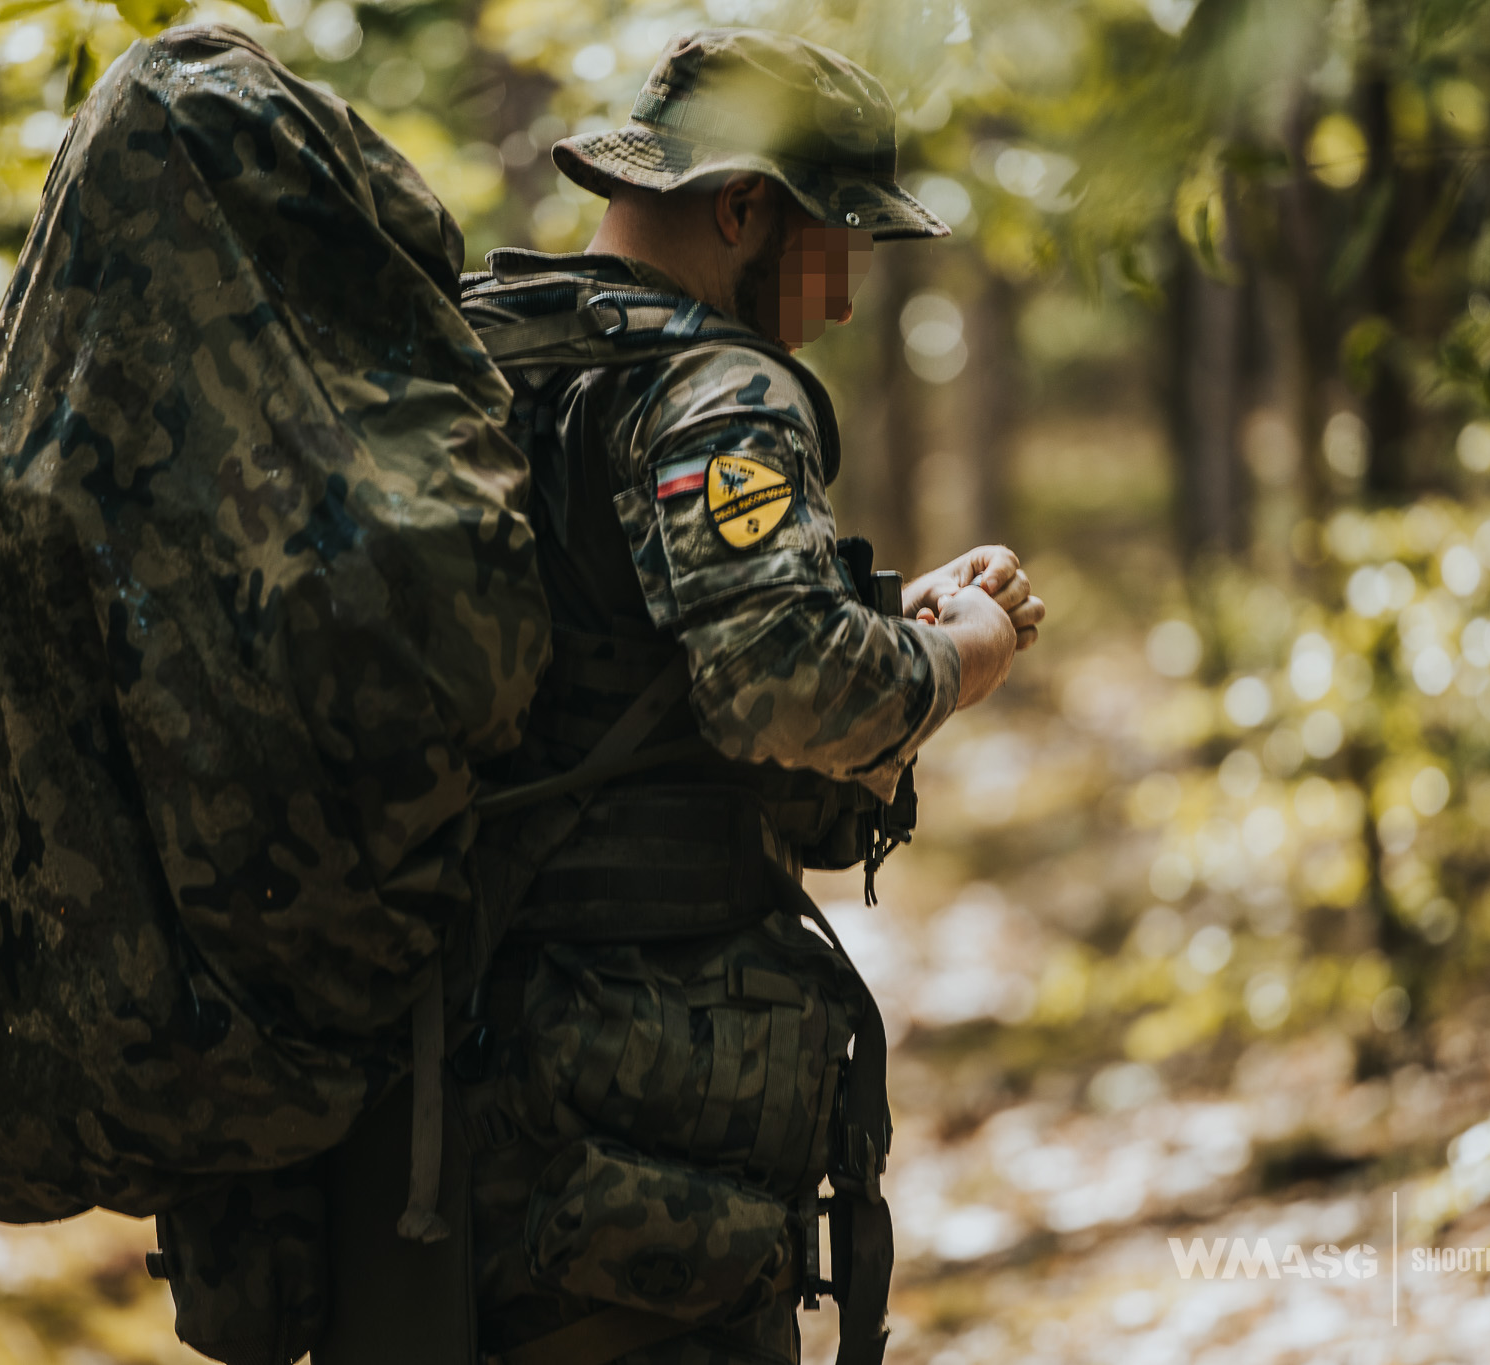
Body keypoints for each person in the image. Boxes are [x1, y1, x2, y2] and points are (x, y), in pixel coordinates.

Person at [347, 27, 1042, 1365]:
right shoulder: (716, 387)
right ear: (743, 209)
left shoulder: (473, 363)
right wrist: (964, 658)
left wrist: (877, 611)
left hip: (431, 1101)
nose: (840, 302)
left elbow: (606, 654)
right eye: (839, 246)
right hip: (635, 1132)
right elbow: (786, 688)